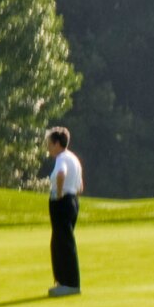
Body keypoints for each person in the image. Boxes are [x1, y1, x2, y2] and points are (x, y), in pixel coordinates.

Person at [44, 126, 84, 297]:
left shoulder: (61, 158)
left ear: (57, 143)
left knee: (64, 242)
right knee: (60, 241)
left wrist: (59, 194)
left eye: (49, 144)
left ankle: (70, 284)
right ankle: (63, 282)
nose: (48, 147)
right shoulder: (73, 158)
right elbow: (80, 186)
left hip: (62, 201)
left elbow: (61, 174)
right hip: (72, 201)